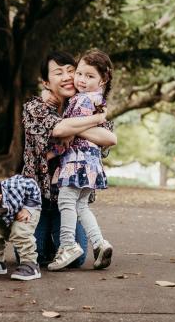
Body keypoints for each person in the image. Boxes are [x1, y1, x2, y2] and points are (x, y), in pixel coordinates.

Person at [22, 51, 116, 268]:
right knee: (34, 255)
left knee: (78, 260)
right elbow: (60, 129)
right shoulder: (35, 108)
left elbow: (110, 138)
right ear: (46, 82)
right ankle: (69, 244)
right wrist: (95, 120)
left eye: (70, 71)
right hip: (41, 200)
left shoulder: (84, 103)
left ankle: (74, 246)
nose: (68, 77)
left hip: (69, 194)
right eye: (58, 73)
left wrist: (75, 127)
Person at [48, 50, 114, 271]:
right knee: (81, 205)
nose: (82, 80)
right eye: (80, 74)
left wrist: (52, 153)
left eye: (90, 76)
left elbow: (67, 132)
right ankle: (99, 243)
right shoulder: (97, 101)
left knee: (66, 201)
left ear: (102, 80)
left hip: (76, 161)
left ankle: (67, 245)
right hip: (92, 163)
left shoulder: (80, 100)